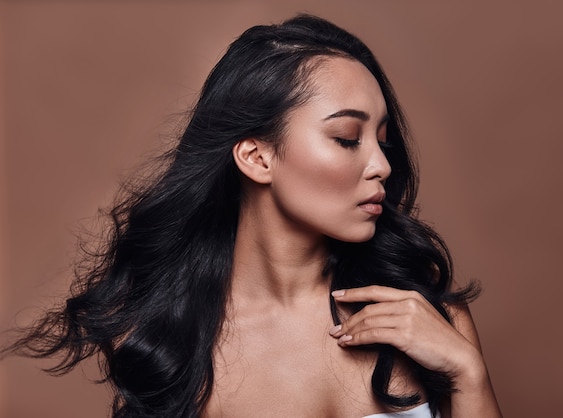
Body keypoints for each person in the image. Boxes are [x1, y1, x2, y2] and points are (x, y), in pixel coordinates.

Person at [2, 14, 502, 418]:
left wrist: (468, 374)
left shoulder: (428, 315)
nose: (382, 165)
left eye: (383, 140)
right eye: (348, 139)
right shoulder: (170, 345)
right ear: (257, 157)